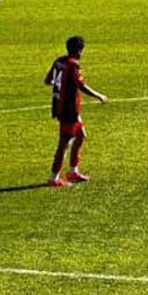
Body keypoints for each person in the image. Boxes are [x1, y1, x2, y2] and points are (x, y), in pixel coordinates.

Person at [44, 36, 108, 188]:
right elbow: (81, 85)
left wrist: (59, 88)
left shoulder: (59, 61)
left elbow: (48, 80)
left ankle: (73, 171)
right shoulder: (73, 66)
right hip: (68, 110)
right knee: (64, 143)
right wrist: (98, 95)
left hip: (62, 106)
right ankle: (54, 177)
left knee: (80, 136)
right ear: (79, 51)